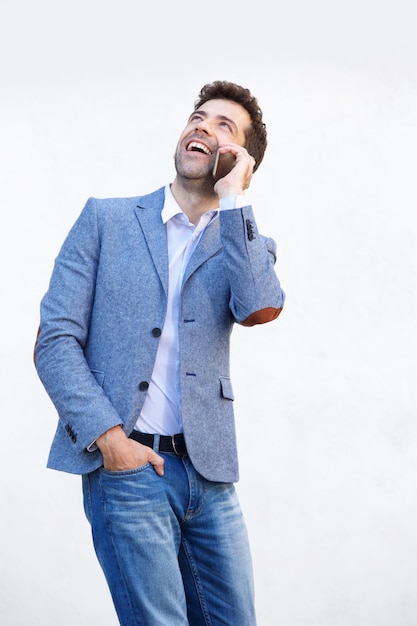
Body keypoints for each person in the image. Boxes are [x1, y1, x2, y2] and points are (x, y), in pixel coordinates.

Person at [35, 80, 285, 626]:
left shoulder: (246, 243)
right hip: (129, 469)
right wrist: (110, 441)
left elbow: (260, 307)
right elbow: (54, 341)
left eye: (224, 126)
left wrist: (234, 199)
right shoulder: (105, 220)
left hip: (210, 477)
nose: (203, 126)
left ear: (240, 159)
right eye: (199, 116)